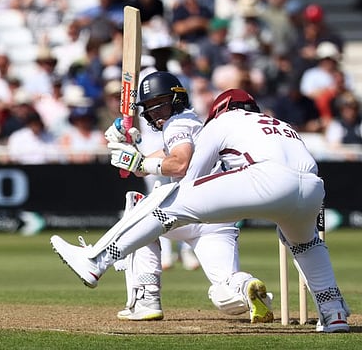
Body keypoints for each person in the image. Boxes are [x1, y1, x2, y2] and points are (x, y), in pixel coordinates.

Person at [51, 75, 350, 333]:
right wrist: (137, 157)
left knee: (165, 201)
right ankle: (333, 313)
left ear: (220, 109)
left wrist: (142, 163)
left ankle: (95, 262)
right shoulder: (280, 124)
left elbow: (187, 175)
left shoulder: (223, 121)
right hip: (311, 188)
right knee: (307, 246)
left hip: (263, 177)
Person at [60, 72, 275, 324]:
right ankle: (247, 287)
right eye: (150, 107)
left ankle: (146, 298)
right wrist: (124, 147)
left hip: (188, 210)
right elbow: (145, 165)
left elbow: (179, 164)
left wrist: (138, 161)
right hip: (219, 220)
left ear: (177, 99)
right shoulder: (194, 124)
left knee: (138, 206)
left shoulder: (178, 124)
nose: (155, 112)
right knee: (225, 291)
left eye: (159, 104)